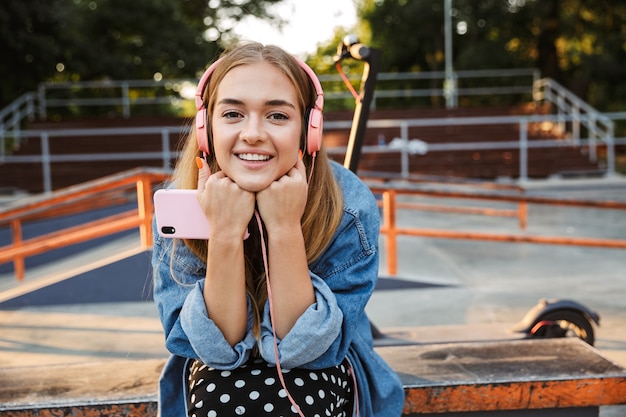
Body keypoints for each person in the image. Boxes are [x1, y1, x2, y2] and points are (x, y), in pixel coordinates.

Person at [151, 41, 404, 417]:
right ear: (206, 128)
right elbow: (217, 351)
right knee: (227, 395)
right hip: (216, 378)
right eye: (233, 114)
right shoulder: (180, 202)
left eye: (278, 116)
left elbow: (303, 350)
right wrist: (224, 232)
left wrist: (285, 227)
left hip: (321, 371)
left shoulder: (348, 207)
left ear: (309, 130)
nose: (253, 133)